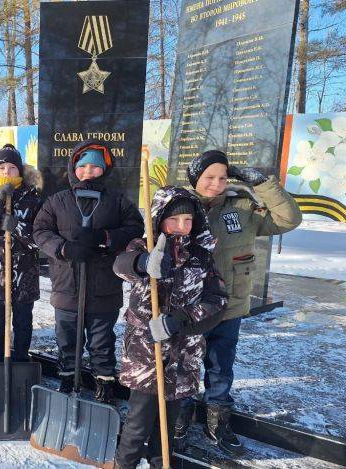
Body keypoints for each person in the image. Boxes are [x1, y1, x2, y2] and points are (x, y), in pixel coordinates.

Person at [174, 150, 302, 455]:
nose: (217, 184)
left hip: (229, 308)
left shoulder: (244, 208)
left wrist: (263, 185)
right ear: (196, 179)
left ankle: (216, 422)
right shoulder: (180, 207)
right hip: (189, 309)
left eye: (222, 177)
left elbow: (289, 218)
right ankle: (179, 419)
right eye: (209, 177)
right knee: (183, 367)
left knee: (220, 368)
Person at [112, 187, 227, 468]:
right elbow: (120, 265)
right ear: (158, 219)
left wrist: (180, 321)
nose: (181, 227)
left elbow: (218, 301)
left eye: (188, 220)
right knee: (136, 428)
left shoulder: (201, 256)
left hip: (183, 356)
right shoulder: (143, 247)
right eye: (174, 220)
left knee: (165, 430)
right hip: (146, 356)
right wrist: (142, 262)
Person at [33, 140, 144, 403]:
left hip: (103, 286)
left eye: (95, 167)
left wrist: (104, 237)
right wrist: (64, 249)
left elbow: (135, 229)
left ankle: (104, 383)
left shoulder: (117, 201)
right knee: (67, 339)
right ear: (74, 168)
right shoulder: (57, 201)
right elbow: (40, 231)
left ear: (104, 170)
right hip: (67, 285)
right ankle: (68, 379)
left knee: (101, 341)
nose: (89, 172)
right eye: (83, 167)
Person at [0, 144, 43, 362]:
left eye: (12, 167)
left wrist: (18, 227)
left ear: (20, 171)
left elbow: (40, 240)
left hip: (26, 276)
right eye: (2, 167)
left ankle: (22, 359)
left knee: (23, 322)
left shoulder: (32, 197)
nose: (6, 172)